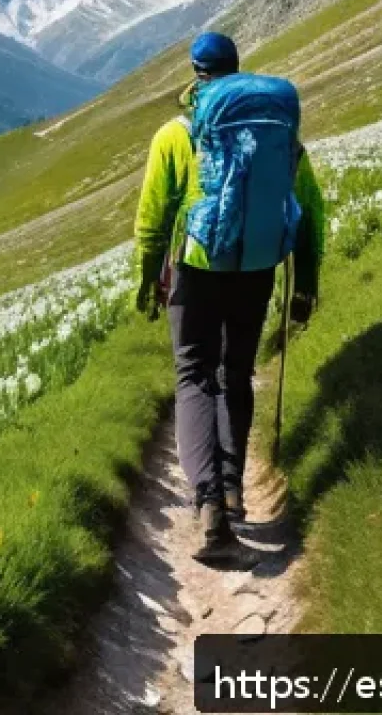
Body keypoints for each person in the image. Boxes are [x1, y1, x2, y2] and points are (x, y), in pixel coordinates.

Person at [133, 31, 324, 563]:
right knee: (234, 372)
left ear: (196, 72)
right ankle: (235, 486)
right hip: (258, 266)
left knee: (193, 373)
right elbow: (308, 208)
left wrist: (150, 280)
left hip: (195, 267)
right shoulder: (278, 130)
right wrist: (305, 283)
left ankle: (210, 507)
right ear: (239, 71)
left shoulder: (177, 133)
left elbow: (152, 218)